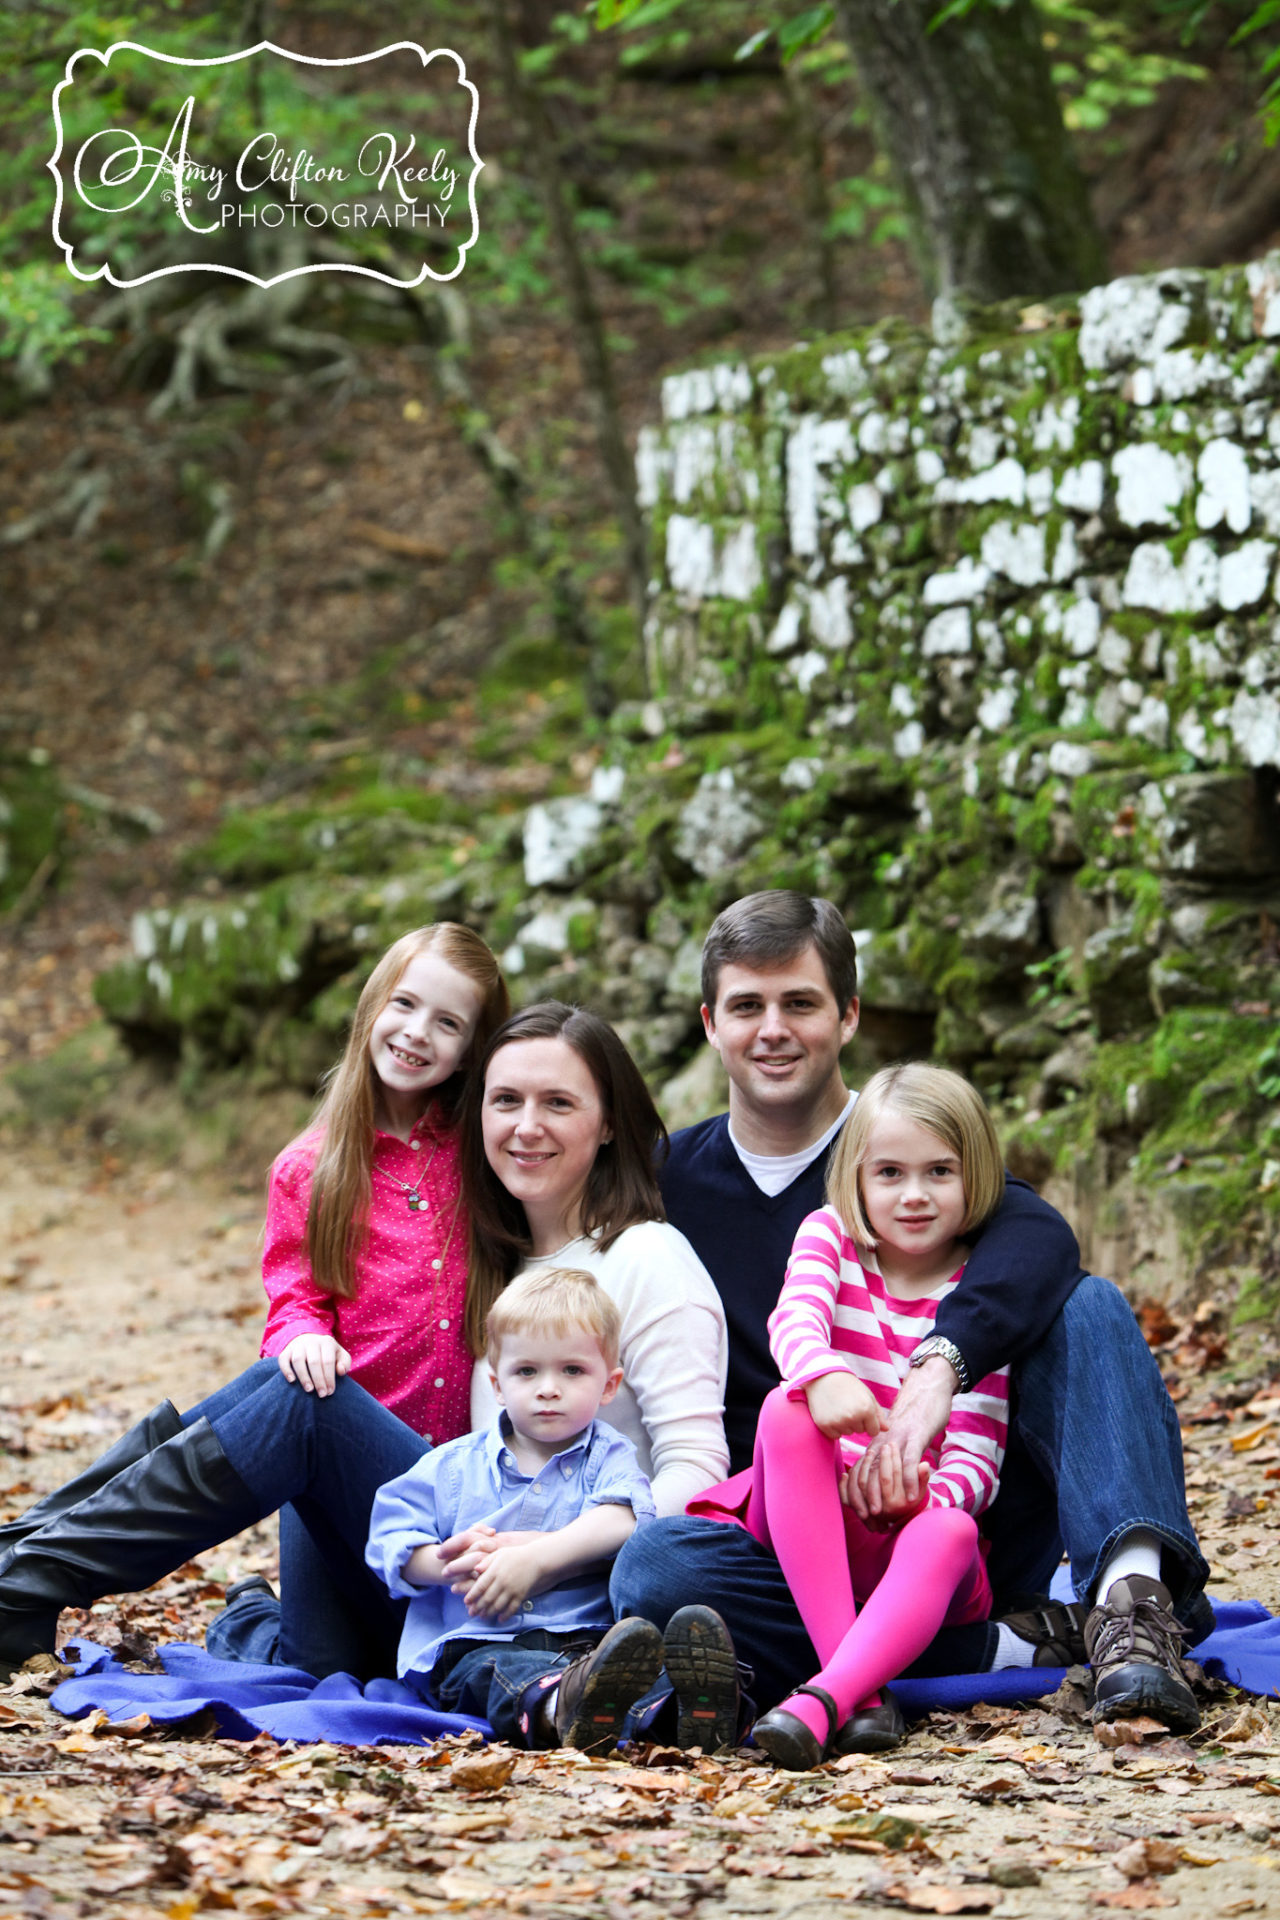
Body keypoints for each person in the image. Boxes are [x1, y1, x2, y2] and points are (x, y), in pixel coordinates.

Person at [0, 1001, 730, 1692]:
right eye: (505, 1101)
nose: (526, 1126)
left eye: (559, 1103)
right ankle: (32, 1561)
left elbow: (698, 1475)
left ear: (607, 1124)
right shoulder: (490, 1260)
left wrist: (548, 1550)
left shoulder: (648, 1260)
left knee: (305, 1408)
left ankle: (33, 1574)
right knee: (294, 1384)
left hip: (555, 1604)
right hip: (444, 1578)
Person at [611, 890, 1208, 1736]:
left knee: (1088, 1307)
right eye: (748, 1006)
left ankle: (1130, 1610)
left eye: (801, 1004)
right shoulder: (666, 1185)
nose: (772, 1029)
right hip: (801, 1537)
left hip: (961, 1525)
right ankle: (963, 1655)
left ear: (849, 1015)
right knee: (655, 1569)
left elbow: (1039, 1239)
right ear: (711, 1023)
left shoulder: (911, 1142)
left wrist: (939, 1371)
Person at [731, 1063, 1009, 1768]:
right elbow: (795, 1317)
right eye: (889, 1173)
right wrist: (821, 1375)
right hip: (813, 1523)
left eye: (939, 1172)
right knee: (784, 1410)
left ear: (973, 1173)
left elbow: (977, 1456)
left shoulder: (984, 1292)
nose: (914, 1195)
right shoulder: (831, 1237)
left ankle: (824, 1699)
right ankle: (853, 1682)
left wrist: (919, 1497)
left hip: (911, 1542)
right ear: (855, 1177)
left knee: (951, 1529)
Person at [367, 1265, 730, 1752]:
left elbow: (625, 1516)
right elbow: (391, 1540)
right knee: (496, 1675)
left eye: (572, 1370)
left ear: (609, 1385)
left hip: (586, 1639)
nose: (548, 1388)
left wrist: (540, 1557)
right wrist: (452, 1563)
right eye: (527, 1371)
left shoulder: (608, 1456)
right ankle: (560, 1707)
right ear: (497, 1385)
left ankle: (690, 1712)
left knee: (636, 1667)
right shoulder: (452, 1466)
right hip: (478, 1641)